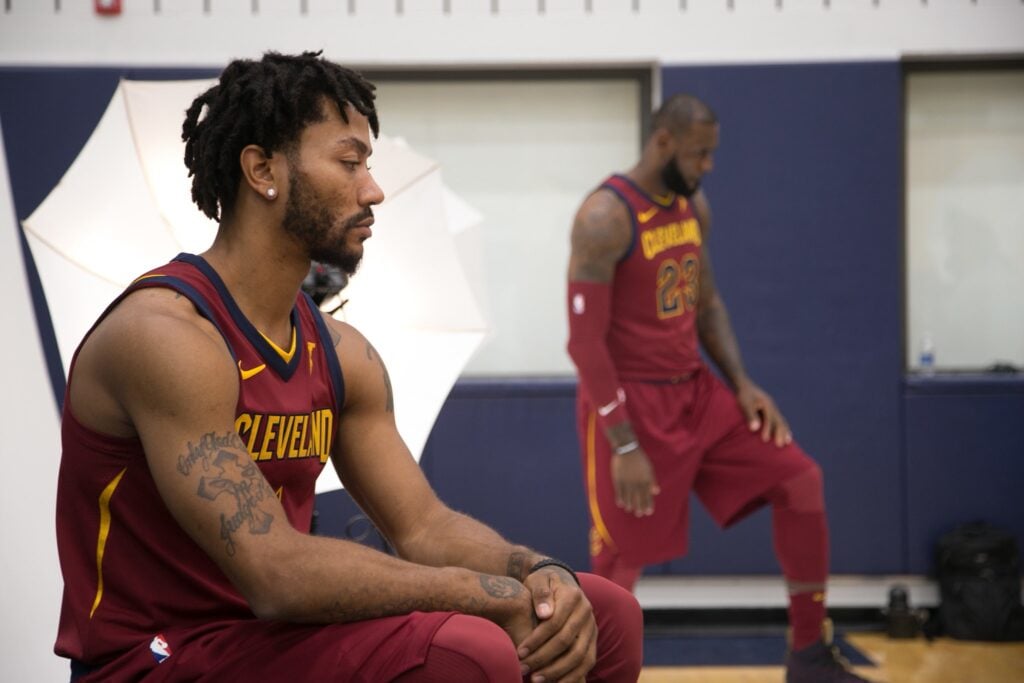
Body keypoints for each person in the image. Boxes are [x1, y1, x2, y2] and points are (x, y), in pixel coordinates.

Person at [54, 51, 642, 683]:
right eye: (349, 161)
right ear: (262, 170)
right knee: (471, 651)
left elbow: (422, 525)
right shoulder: (167, 338)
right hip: (159, 656)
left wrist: (536, 572)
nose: (373, 189)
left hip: (273, 644)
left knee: (602, 612)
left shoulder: (341, 352)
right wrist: (482, 595)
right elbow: (274, 572)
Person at [565, 93, 870, 683]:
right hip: (633, 405)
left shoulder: (692, 207)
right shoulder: (604, 218)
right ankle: (593, 673)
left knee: (799, 479)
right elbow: (585, 345)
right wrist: (624, 444)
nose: (707, 166)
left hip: (699, 394)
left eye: (711, 155)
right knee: (617, 560)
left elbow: (707, 305)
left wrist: (744, 384)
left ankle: (807, 654)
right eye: (700, 154)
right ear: (664, 143)